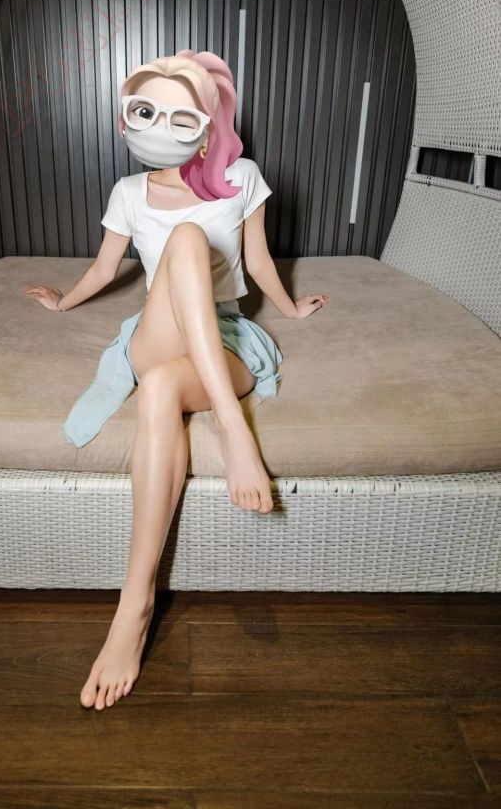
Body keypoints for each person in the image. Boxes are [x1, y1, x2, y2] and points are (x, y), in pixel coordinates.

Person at [24, 50, 329, 711]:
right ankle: (234, 430)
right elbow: (106, 268)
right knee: (187, 242)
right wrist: (64, 301)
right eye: (146, 111)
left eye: (179, 114)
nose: (160, 125)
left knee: (161, 388)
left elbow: (257, 261)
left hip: (222, 335)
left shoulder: (242, 177)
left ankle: (134, 605)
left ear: (207, 122)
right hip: (158, 332)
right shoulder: (128, 193)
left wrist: (286, 308)